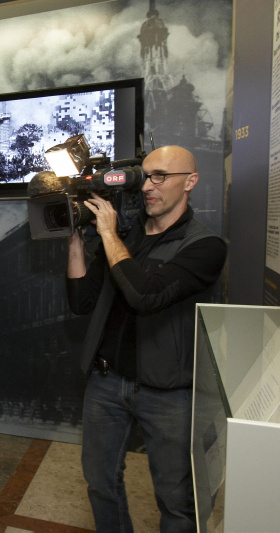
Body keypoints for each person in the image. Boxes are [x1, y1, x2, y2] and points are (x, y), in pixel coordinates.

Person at [66, 145, 226, 532]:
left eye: (160, 177)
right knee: (101, 483)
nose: (148, 186)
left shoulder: (205, 247)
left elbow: (145, 295)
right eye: (144, 175)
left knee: (176, 499)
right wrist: (73, 239)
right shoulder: (125, 236)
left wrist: (107, 234)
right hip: (106, 382)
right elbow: (81, 301)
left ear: (190, 182)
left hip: (167, 393)